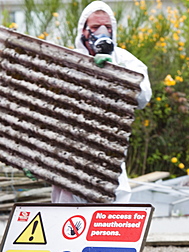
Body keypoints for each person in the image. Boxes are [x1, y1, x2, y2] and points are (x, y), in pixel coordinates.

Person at [52, 0, 152, 203]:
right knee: (66, 218)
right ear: (84, 30)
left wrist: (114, 70)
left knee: (112, 211)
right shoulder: (69, 61)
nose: (103, 32)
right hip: (71, 154)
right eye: (96, 27)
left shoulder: (126, 61)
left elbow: (143, 97)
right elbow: (49, 107)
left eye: (107, 27)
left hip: (109, 152)